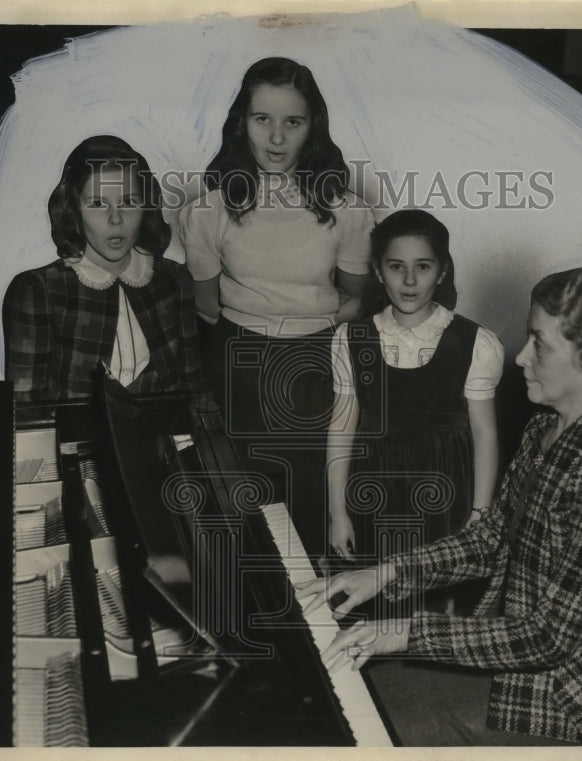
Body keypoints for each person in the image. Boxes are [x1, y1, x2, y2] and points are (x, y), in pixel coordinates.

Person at [298, 267, 582, 745]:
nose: (521, 357)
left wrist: (404, 633)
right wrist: (385, 573)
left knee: (382, 724)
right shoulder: (546, 427)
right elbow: (492, 538)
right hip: (526, 651)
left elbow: (550, 638)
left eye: (539, 344)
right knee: (363, 693)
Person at [178, 57, 375, 556]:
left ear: (314, 128)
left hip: (317, 366)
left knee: (311, 504)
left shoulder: (349, 211)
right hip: (237, 365)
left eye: (293, 121)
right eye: (262, 118)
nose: (277, 137)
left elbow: (356, 296)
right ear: (240, 122)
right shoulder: (207, 212)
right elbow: (207, 306)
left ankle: (311, 603)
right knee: (240, 509)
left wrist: (308, 324)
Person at [327, 210, 501, 565]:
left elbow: (485, 434)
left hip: (446, 494)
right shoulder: (351, 338)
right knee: (372, 585)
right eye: (396, 267)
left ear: (442, 271)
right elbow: (341, 428)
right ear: (378, 271)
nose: (409, 280)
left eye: (422, 266)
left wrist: (479, 514)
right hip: (372, 491)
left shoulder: (473, 342)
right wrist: (338, 512)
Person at [3, 135, 202, 401]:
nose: (115, 219)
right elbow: (25, 403)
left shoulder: (174, 279)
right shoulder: (39, 290)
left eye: (128, 202)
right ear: (73, 209)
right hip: (76, 428)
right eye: (97, 204)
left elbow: (192, 389)